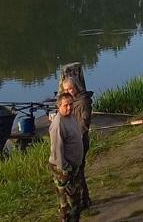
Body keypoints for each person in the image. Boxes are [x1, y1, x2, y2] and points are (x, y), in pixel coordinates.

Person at [49, 92, 84, 222]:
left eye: (71, 104)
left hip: (74, 166)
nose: (69, 107)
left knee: (76, 200)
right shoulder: (57, 125)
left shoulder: (71, 117)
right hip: (63, 170)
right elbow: (57, 150)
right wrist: (65, 168)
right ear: (59, 106)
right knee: (67, 203)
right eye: (66, 105)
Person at [61, 77, 93, 209]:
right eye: (65, 90)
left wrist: (75, 137)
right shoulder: (71, 102)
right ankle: (84, 200)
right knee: (77, 172)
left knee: (78, 171)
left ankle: (84, 200)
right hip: (72, 142)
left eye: (70, 88)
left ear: (76, 87)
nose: (68, 91)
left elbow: (84, 123)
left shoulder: (83, 102)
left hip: (80, 142)